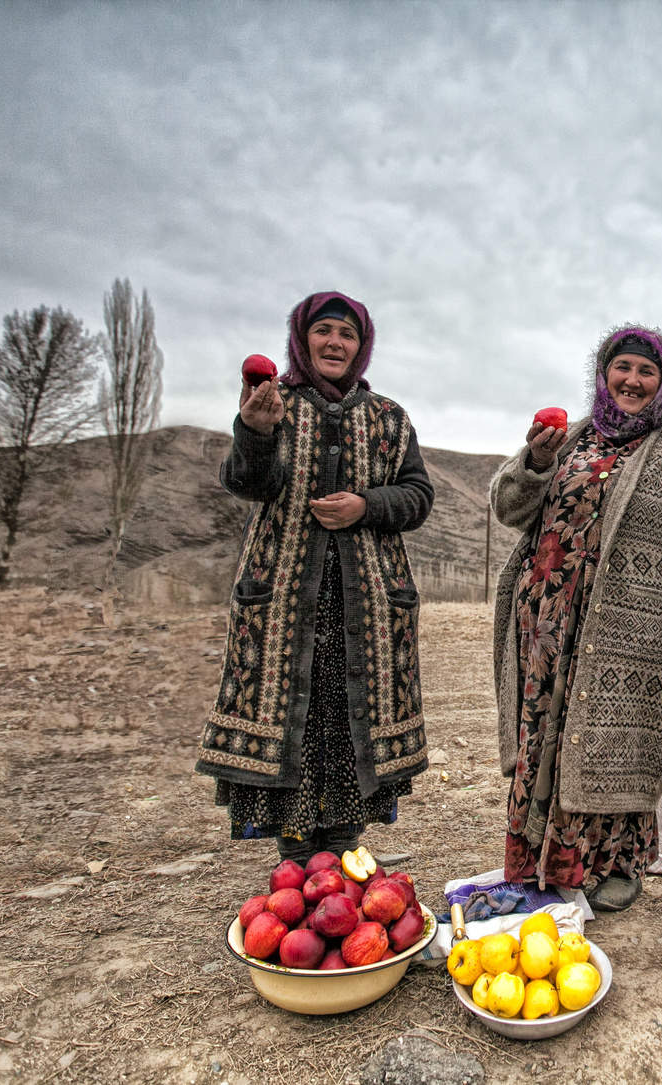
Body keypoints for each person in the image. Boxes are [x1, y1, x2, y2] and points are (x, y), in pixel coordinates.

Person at [490, 324, 662, 912]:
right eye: (623, 367)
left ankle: (618, 863)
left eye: (647, 371)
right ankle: (538, 859)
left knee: (619, 739)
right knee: (545, 732)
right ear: (604, 374)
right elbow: (509, 508)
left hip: (631, 622)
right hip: (547, 619)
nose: (633, 380)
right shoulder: (567, 439)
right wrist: (535, 462)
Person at [196, 291, 434, 863]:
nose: (335, 342)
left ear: (362, 346)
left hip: (368, 601)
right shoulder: (274, 403)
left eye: (347, 335)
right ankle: (296, 853)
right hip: (283, 599)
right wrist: (253, 433)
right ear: (302, 340)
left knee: (350, 718)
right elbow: (245, 482)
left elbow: (419, 495)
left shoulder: (389, 419)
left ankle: (345, 846)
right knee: (293, 719)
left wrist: (368, 505)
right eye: (324, 331)